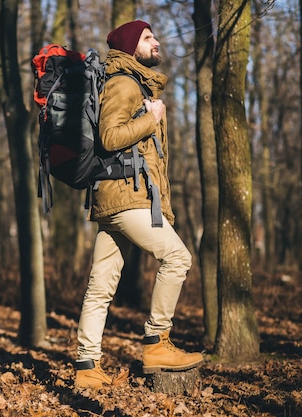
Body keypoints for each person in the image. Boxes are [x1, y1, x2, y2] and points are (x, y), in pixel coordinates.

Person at [74, 20, 204, 389]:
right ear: (132, 46)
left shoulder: (135, 84)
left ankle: (86, 367)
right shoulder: (123, 84)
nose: (157, 42)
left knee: (100, 285)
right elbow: (110, 137)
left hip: (116, 199)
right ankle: (156, 340)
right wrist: (151, 119)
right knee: (178, 258)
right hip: (127, 200)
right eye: (148, 38)